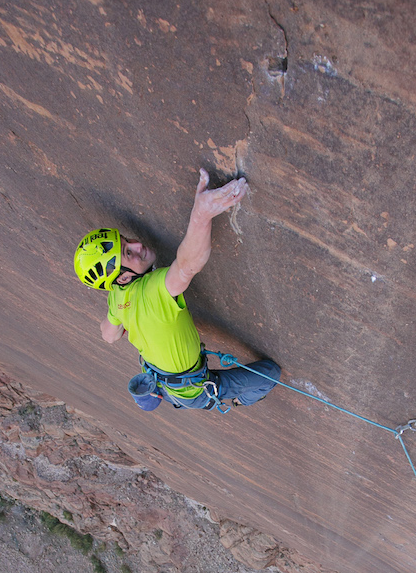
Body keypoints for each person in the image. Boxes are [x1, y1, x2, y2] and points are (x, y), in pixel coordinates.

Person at [73, 169, 280, 412]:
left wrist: (123, 323)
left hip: (164, 382)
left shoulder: (117, 296)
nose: (137, 244)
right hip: (195, 390)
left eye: (126, 240)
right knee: (270, 374)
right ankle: (240, 400)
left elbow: (108, 335)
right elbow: (186, 267)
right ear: (123, 277)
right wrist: (201, 215)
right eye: (128, 253)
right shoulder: (153, 292)